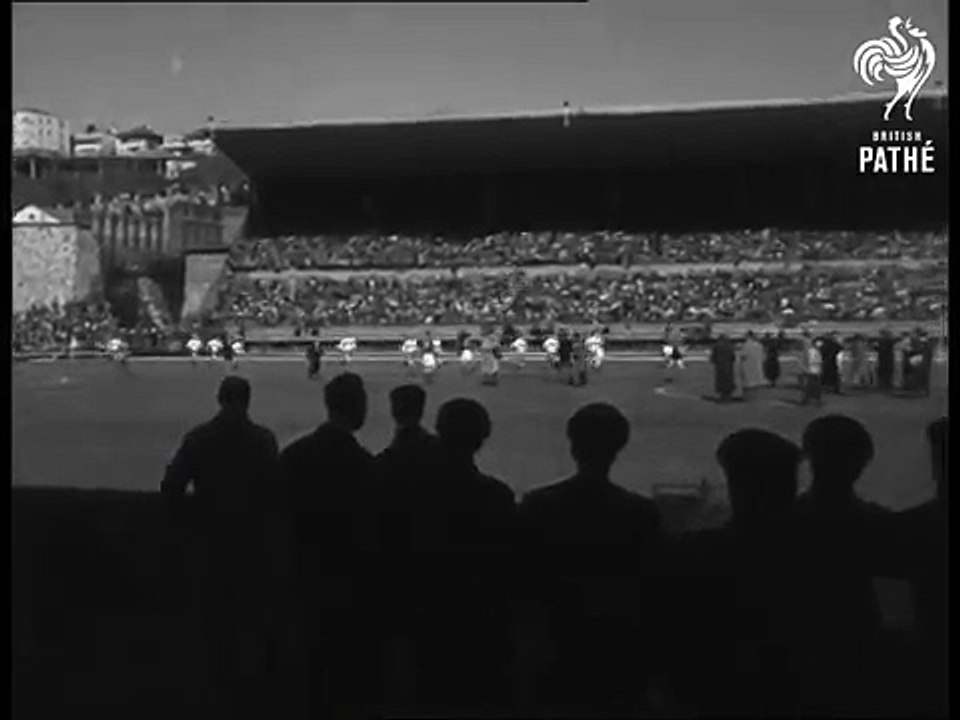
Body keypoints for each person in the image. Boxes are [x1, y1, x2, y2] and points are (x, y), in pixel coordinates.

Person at [519, 404, 661, 712]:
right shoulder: (641, 514)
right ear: (619, 446)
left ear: (572, 444)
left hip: (553, 651)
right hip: (619, 654)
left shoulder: (538, 506)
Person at [664, 429, 806, 715]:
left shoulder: (698, 552)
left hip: (715, 696)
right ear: (788, 487)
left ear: (735, 485)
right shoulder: (815, 555)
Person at [161, 377, 280, 696]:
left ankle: (210, 691)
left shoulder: (199, 438)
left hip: (209, 543)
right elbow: (275, 493)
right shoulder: (263, 440)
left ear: (219, 398)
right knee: (249, 625)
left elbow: (171, 487)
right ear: (248, 400)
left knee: (212, 625)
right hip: (252, 547)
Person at [279, 373, 376, 714]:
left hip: (301, 581)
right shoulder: (366, 465)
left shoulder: (293, 456)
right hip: (351, 587)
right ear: (358, 408)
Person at [410, 398, 516, 711]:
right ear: (483, 437)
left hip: (423, 626)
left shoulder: (414, 495)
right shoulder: (497, 497)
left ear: (439, 432)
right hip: (482, 631)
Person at [738, 331, 765, 399]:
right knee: (756, 382)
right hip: (757, 365)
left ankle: (748, 397)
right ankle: (755, 396)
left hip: (748, 365)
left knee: (748, 381)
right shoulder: (759, 345)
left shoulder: (746, 345)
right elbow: (762, 355)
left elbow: (743, 355)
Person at [710, 334, 736, 402]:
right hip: (728, 366)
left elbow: (713, 358)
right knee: (729, 380)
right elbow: (733, 357)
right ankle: (728, 396)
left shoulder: (716, 345)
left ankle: (723, 396)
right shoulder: (730, 345)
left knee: (721, 380)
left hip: (720, 366)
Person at [799, 336, 823, 406]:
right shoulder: (809, 351)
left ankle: (813, 400)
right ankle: (808, 400)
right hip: (810, 371)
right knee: (808, 386)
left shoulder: (814, 351)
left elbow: (818, 361)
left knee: (813, 386)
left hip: (813, 371)